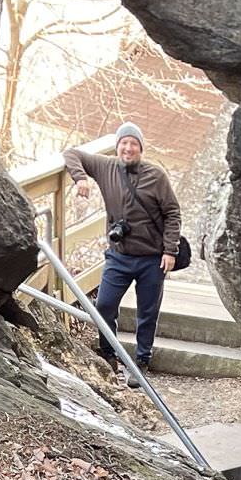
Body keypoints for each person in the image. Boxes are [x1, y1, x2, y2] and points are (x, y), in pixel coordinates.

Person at [63, 122, 181, 381]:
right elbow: (72, 153)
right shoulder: (106, 167)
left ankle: (141, 361)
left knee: (147, 311)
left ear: (141, 148)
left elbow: (172, 213)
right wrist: (80, 178)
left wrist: (169, 251)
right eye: (123, 143)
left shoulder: (156, 176)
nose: (128, 148)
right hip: (119, 255)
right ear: (117, 146)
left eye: (133, 144)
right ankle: (110, 354)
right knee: (104, 305)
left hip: (152, 257)